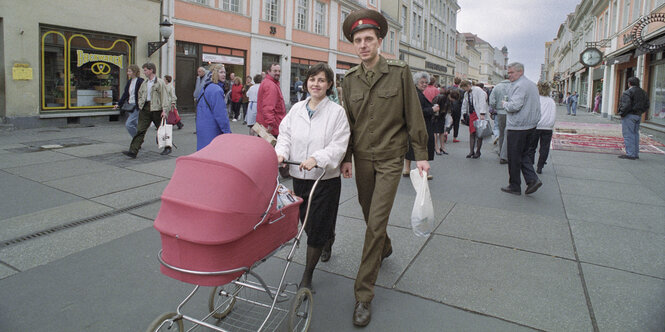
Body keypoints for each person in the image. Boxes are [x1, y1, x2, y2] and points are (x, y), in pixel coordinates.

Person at [340, 9, 430, 327]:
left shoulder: (399, 71)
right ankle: (385, 247)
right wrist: (345, 159)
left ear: (380, 41)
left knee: (375, 222)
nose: (363, 45)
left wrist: (421, 154)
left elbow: (413, 114)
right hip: (363, 158)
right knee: (369, 216)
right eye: (357, 40)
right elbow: (347, 124)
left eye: (368, 39)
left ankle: (363, 295)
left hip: (392, 158)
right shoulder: (348, 80)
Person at [274, 63, 350, 291]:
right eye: (312, 79)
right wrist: (281, 153)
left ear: (329, 85)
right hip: (299, 176)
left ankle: (307, 275)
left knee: (315, 227)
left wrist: (317, 158)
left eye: (321, 80)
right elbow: (285, 135)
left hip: (324, 179)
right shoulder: (296, 109)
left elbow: (339, 144)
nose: (316, 84)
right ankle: (328, 235)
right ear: (306, 82)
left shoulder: (337, 112)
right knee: (306, 223)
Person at [501, 62, 542, 195]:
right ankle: (532, 180)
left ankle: (515, 185)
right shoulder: (531, 84)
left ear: (520, 72)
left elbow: (514, 106)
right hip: (531, 125)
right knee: (524, 154)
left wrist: (505, 104)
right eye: (509, 73)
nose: (509, 75)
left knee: (514, 157)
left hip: (518, 126)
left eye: (512, 72)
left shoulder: (519, 86)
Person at [122, 62, 172, 158]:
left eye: (145, 70)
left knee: (161, 129)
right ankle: (133, 151)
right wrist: (141, 104)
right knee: (140, 129)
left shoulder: (160, 82)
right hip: (145, 108)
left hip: (157, 108)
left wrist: (164, 110)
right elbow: (140, 94)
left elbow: (165, 97)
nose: (144, 72)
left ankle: (167, 147)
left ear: (151, 70)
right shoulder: (145, 83)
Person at [404, 71, 437, 178]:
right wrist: (432, 109)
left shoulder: (415, 93)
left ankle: (407, 169)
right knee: (424, 145)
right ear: (416, 82)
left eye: (426, 82)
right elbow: (419, 111)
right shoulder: (417, 94)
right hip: (421, 124)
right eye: (422, 82)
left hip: (413, 124)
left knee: (410, 146)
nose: (424, 84)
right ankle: (424, 171)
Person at [196, 64, 231, 150]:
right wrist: (227, 132)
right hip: (212, 129)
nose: (224, 74)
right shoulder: (217, 90)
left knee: (203, 153)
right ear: (215, 74)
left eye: (225, 72)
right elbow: (221, 115)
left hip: (202, 127)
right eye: (221, 72)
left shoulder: (205, 87)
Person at [618, 77, 649, 160]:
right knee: (635, 134)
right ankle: (635, 153)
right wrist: (640, 112)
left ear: (629, 83)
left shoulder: (628, 92)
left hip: (629, 115)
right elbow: (647, 105)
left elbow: (626, 105)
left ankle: (630, 154)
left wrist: (622, 113)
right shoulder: (643, 93)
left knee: (628, 134)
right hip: (638, 115)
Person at [460, 80, 488, 158]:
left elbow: (482, 101)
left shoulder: (478, 90)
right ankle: (471, 151)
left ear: (468, 86)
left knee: (479, 133)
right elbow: (464, 104)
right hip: (471, 114)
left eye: (464, 88)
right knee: (472, 133)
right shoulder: (466, 93)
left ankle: (478, 151)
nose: (464, 90)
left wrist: (482, 113)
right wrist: (463, 114)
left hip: (478, 114)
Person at [257, 63, 286, 137]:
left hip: (266, 125)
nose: (278, 73)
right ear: (268, 71)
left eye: (279, 71)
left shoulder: (268, 82)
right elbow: (268, 106)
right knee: (270, 148)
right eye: (275, 71)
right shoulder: (271, 85)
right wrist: (270, 123)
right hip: (271, 128)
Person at [114, 64, 143, 137]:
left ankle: (136, 140)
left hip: (137, 106)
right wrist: (119, 104)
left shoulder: (140, 81)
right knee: (135, 124)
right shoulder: (129, 81)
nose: (128, 73)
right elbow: (125, 94)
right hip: (130, 106)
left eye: (129, 71)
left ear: (134, 72)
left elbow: (144, 94)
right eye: (128, 71)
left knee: (129, 124)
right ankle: (139, 138)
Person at [533, 82, 556, 174]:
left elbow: (533, 112)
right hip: (547, 127)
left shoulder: (536, 99)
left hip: (536, 126)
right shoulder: (551, 101)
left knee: (532, 146)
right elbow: (553, 115)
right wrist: (550, 124)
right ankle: (540, 166)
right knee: (544, 147)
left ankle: (530, 163)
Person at [489, 76, 510, 164]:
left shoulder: (497, 87)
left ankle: (501, 152)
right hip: (511, 113)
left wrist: (494, 109)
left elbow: (492, 101)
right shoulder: (514, 86)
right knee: (508, 134)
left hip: (500, 112)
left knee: (501, 133)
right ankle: (505, 155)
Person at [432, 90, 450, 155]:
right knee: (435, 132)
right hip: (436, 116)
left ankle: (442, 147)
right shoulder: (440, 98)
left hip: (441, 115)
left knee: (441, 131)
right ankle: (436, 147)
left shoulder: (447, 99)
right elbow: (435, 106)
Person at [449, 77, 463, 142]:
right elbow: (462, 100)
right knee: (456, 123)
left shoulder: (449, 88)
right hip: (457, 108)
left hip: (450, 107)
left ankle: (446, 132)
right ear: (460, 82)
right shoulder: (461, 90)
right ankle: (455, 137)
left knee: (448, 121)